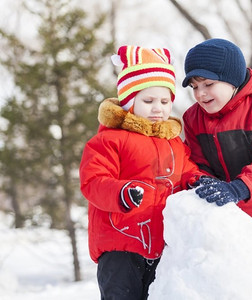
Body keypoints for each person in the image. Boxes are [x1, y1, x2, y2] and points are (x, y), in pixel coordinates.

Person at [79, 45, 203, 300]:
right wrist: (120, 193)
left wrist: (197, 182)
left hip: (161, 247)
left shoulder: (174, 142)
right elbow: (93, 180)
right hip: (120, 245)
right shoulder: (110, 140)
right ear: (129, 102)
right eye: (148, 101)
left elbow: (186, 170)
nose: (157, 108)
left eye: (164, 101)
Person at [182, 38, 252, 272]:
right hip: (225, 221)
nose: (200, 94)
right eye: (194, 87)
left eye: (208, 84)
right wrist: (201, 180)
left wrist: (238, 187)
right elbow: (196, 163)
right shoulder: (193, 118)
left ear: (231, 79)